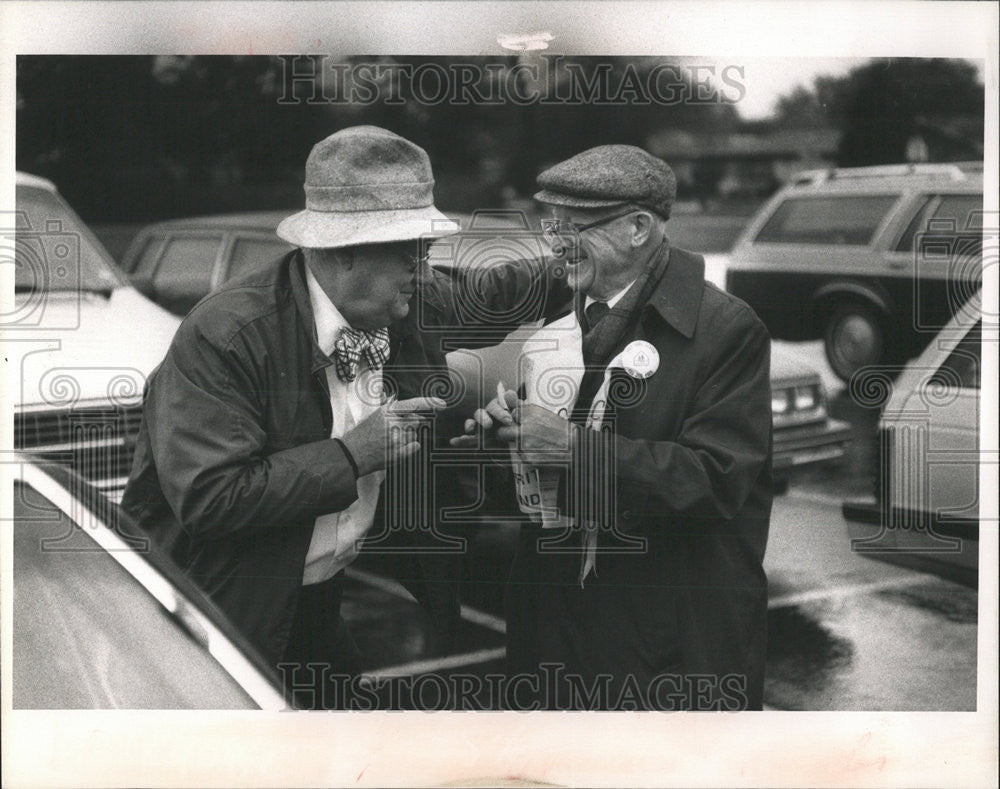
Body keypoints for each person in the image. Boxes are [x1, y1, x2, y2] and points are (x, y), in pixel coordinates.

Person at [122, 126, 565, 709]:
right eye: (410, 251)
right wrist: (356, 454)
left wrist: (587, 250)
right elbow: (211, 498)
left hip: (319, 598)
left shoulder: (402, 301)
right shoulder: (226, 336)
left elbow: (498, 294)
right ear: (341, 251)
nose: (425, 270)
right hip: (219, 610)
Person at [453, 144, 773, 710]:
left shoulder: (727, 329)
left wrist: (571, 449)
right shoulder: (565, 319)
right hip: (558, 631)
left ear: (638, 229)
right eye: (551, 226)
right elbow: (544, 488)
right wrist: (501, 445)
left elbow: (717, 479)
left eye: (575, 227)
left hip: (666, 644)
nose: (556, 244)